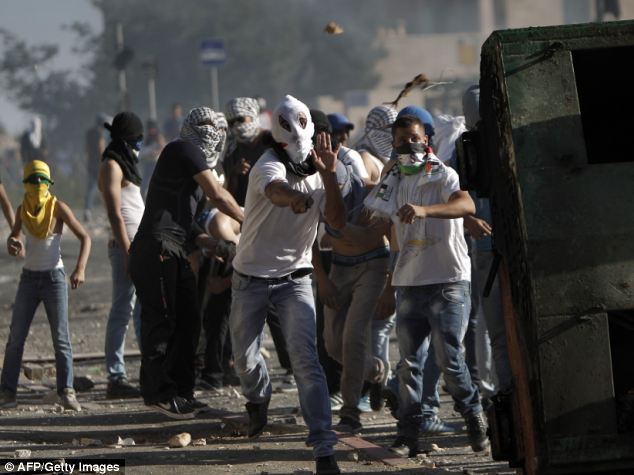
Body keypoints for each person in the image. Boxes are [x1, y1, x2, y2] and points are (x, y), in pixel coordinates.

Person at [229, 95, 344, 475]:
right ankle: (258, 397)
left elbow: (336, 220)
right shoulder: (267, 165)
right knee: (245, 359)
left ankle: (324, 447)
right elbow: (276, 191)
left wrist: (329, 175)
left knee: (306, 362)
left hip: (295, 280)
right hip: (250, 278)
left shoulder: (325, 170)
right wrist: (296, 198)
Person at [368, 114, 488, 456]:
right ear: (393, 145)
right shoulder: (392, 182)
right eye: (401, 141)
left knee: (449, 359)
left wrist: (424, 210)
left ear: (426, 140)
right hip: (409, 283)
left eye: (414, 138)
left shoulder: (442, 173)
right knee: (410, 366)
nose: (409, 145)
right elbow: (395, 237)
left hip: (448, 281)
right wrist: (390, 284)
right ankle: (408, 433)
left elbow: (465, 203)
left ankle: (472, 412)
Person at [129, 107, 244, 420]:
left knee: (190, 320)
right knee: (162, 321)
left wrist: (211, 243)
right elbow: (218, 195)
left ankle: (182, 392)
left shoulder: (189, 168)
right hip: (157, 247)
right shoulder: (182, 149)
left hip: (175, 249)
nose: (214, 136)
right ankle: (159, 393)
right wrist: (249, 221)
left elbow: (187, 222)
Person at [0, 160, 91, 411]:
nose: (37, 184)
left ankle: (67, 391)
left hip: (54, 279)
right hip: (28, 279)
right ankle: (7, 392)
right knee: (16, 338)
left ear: (49, 182)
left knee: (61, 339)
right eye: (33, 180)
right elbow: (14, 236)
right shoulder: (22, 210)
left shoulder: (57, 207)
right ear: (26, 183)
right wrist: (13, 243)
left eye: (41, 180)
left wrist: (80, 268)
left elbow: (85, 237)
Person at [318, 139, 392, 434]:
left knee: (353, 336)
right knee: (332, 345)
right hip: (339, 268)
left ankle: (350, 410)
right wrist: (322, 279)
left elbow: (367, 238)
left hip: (373, 267)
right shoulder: (322, 194)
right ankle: (376, 370)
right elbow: (306, 240)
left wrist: (335, 228)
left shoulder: (377, 194)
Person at [98, 111, 145, 399]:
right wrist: (128, 254)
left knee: (141, 309)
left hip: (137, 244)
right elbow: (115, 214)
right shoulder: (111, 166)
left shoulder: (125, 164)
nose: (139, 144)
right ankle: (115, 377)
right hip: (125, 247)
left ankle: (149, 369)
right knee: (122, 310)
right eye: (136, 139)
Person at [355, 105, 398, 184]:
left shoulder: (388, 160)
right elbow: (362, 186)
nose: (391, 134)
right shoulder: (365, 158)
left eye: (394, 129)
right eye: (388, 128)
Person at [327, 113, 369, 183]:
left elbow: (364, 183)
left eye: (347, 132)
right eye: (339, 132)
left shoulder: (352, 156)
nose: (345, 137)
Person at [84, 114, 109, 222]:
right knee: (104, 187)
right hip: (99, 163)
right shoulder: (100, 133)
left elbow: (86, 149)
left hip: (90, 163)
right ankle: (109, 211)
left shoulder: (89, 133)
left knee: (91, 188)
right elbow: (101, 147)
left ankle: (87, 210)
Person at [138, 119, 166, 198]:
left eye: (152, 128)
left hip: (157, 163)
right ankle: (143, 197)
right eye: (150, 129)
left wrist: (156, 152)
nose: (151, 130)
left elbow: (163, 147)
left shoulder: (159, 136)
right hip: (148, 163)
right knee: (145, 183)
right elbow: (143, 150)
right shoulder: (147, 138)